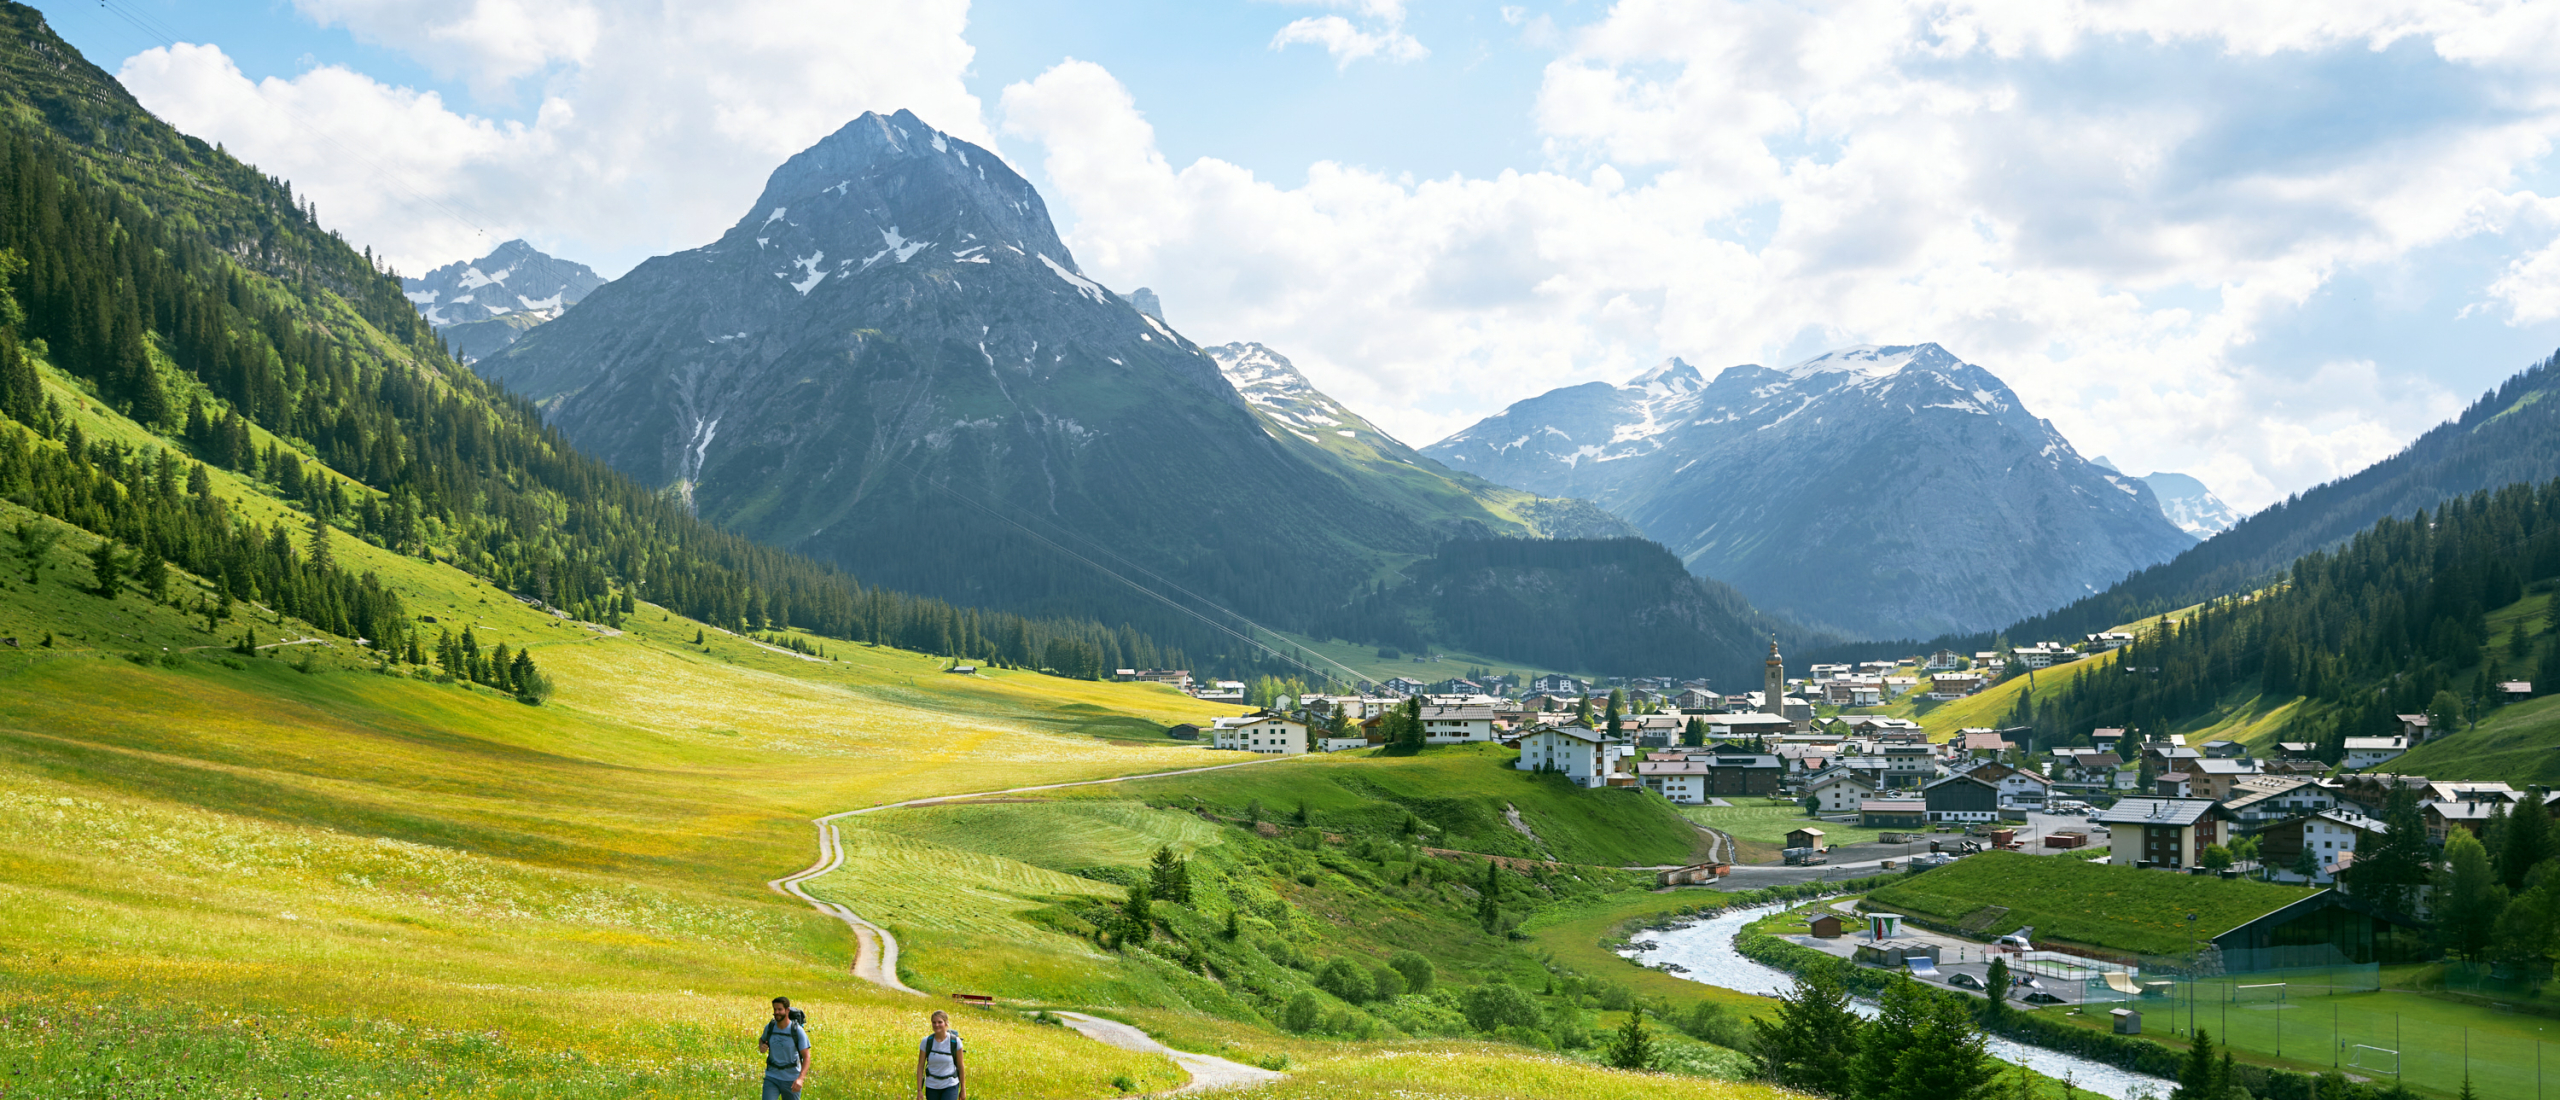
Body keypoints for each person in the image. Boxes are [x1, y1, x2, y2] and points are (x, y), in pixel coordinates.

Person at [760, 996, 811, 1099]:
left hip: (791, 1079)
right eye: (775, 1009)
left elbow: (806, 1057)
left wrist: (800, 1079)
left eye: (780, 1009)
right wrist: (761, 1046)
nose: (776, 1012)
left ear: (787, 1010)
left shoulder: (797, 1031)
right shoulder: (770, 1027)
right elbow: (762, 1039)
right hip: (772, 1077)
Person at [915, 1009, 965, 1100]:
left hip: (950, 1084)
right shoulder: (926, 1042)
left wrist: (963, 1089)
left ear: (946, 1023)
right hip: (932, 1086)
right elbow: (920, 1066)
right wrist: (919, 1090)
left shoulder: (955, 1042)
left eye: (940, 1022)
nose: (936, 1025)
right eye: (934, 1022)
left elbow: (960, 1066)